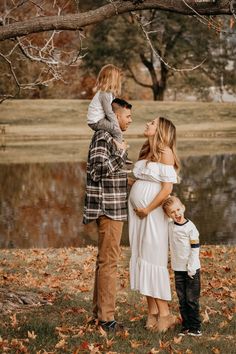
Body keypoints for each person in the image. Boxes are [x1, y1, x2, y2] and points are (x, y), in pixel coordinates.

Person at [83, 98, 132, 332]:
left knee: (105, 262)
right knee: (109, 263)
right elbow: (97, 169)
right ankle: (107, 319)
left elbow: (112, 174)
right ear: (115, 116)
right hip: (108, 210)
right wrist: (120, 154)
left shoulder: (111, 138)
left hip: (113, 208)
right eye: (127, 116)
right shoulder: (104, 136)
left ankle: (98, 315)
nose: (130, 120)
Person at [128, 117, 180, 333]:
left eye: (152, 122)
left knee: (153, 259)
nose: (147, 124)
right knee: (142, 258)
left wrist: (147, 209)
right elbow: (146, 180)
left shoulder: (165, 152)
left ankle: (165, 314)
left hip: (153, 214)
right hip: (138, 214)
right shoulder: (146, 150)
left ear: (161, 130)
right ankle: (152, 313)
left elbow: (167, 188)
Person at [162, 196, 202, 337]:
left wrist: (192, 266)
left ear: (183, 208)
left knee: (191, 300)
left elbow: (195, 248)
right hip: (178, 269)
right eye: (172, 212)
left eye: (178, 209)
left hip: (191, 270)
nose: (176, 214)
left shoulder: (190, 228)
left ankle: (195, 327)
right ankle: (186, 326)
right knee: (182, 299)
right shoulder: (170, 226)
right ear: (168, 215)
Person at [87, 64, 123, 143]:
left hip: (100, 119)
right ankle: (118, 151)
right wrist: (117, 126)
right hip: (96, 121)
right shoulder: (104, 94)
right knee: (117, 132)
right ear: (111, 80)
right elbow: (109, 112)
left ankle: (114, 144)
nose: (119, 82)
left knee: (115, 128)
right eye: (118, 80)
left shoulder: (109, 94)